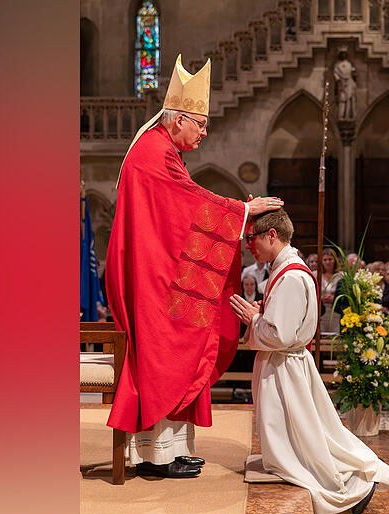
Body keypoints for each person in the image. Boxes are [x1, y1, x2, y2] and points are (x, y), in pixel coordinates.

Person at [105, 54, 284, 479]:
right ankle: (154, 455)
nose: (204, 132)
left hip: (159, 268)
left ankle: (172, 448)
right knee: (171, 342)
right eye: (200, 124)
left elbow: (183, 204)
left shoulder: (162, 149)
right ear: (178, 119)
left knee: (193, 330)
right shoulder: (153, 153)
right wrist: (242, 209)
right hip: (151, 277)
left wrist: (236, 217)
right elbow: (185, 206)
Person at [229, 209, 389, 514]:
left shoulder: (292, 276)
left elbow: (280, 336)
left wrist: (253, 318)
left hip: (286, 367)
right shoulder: (284, 270)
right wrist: (263, 313)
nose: (249, 245)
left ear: (272, 235)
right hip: (284, 365)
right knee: (302, 436)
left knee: (306, 440)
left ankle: (354, 487)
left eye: (252, 237)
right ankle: (348, 477)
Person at [318, 248, 343, 333]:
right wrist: (320, 298)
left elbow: (345, 297)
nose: (327, 262)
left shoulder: (341, 276)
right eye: (325, 260)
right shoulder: (316, 274)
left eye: (330, 259)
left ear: (335, 261)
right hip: (320, 312)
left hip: (335, 311)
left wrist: (335, 298)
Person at [333, 48, 357, 120]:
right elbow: (335, 74)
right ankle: (341, 116)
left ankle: (348, 115)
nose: (343, 55)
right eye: (342, 53)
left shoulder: (349, 64)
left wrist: (354, 75)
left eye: (345, 53)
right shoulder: (337, 65)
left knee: (350, 99)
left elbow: (352, 73)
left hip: (350, 83)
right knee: (342, 99)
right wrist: (339, 81)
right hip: (341, 83)